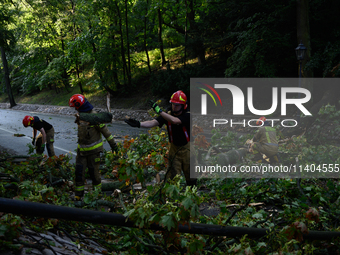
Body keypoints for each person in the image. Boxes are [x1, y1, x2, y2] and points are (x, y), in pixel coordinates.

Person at [125, 90, 196, 186]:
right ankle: (172, 196)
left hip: (188, 149)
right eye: (173, 104)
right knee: (172, 177)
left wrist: (159, 111)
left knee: (191, 175)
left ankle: (192, 192)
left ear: (183, 106)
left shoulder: (187, 116)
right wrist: (139, 124)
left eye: (177, 105)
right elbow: (153, 122)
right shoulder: (168, 115)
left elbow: (175, 121)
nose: (174, 107)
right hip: (174, 149)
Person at [69, 94, 118, 200]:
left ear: (79, 105)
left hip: (93, 153)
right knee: (79, 173)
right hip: (81, 153)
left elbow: (106, 132)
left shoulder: (94, 117)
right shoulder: (81, 116)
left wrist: (114, 145)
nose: (75, 110)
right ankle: (78, 196)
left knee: (94, 175)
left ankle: (98, 196)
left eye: (75, 107)